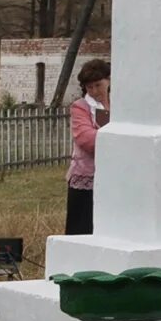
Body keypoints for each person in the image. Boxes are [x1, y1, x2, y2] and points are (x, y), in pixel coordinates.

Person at [65, 59, 111, 236]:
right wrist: (118, 140)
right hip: (86, 179)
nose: (94, 91)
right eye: (89, 87)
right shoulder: (81, 107)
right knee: (82, 231)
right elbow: (86, 139)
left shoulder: (120, 105)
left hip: (114, 177)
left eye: (98, 85)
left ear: (108, 81)